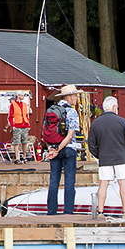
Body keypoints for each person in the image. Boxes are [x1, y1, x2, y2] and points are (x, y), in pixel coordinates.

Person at [89, 96, 125, 219]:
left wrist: (100, 155)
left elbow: (91, 145)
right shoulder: (122, 122)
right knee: (123, 183)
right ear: (114, 107)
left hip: (104, 158)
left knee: (103, 184)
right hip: (121, 157)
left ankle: (100, 212)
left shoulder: (95, 123)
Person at [45, 85, 82, 215]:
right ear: (69, 97)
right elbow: (70, 135)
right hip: (68, 149)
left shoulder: (51, 110)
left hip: (54, 147)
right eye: (75, 96)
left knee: (54, 180)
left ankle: (51, 211)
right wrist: (59, 148)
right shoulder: (71, 112)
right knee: (69, 180)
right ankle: (68, 211)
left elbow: (46, 132)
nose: (76, 98)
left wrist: (53, 149)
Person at [6, 91, 31, 164]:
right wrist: (12, 126)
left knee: (24, 142)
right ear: (18, 96)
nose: (23, 96)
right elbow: (10, 117)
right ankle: (17, 158)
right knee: (16, 142)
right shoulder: (12, 105)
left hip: (25, 125)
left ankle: (24, 157)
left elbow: (26, 115)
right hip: (17, 125)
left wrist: (28, 125)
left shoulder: (24, 104)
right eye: (22, 95)